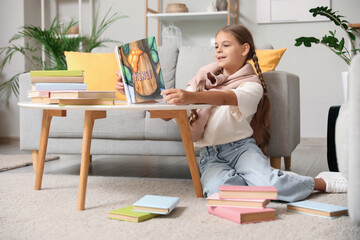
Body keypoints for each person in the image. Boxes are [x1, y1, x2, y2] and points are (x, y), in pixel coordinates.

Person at [116, 24, 347, 202]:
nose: (218, 50)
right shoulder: (200, 82)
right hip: (209, 154)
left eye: (226, 45)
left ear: (244, 49)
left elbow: (226, 98)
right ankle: (257, 183)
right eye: (216, 46)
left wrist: (191, 97)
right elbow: (170, 114)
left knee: (270, 185)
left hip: (241, 148)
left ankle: (319, 182)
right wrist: (137, 95)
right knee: (217, 192)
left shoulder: (252, 85)